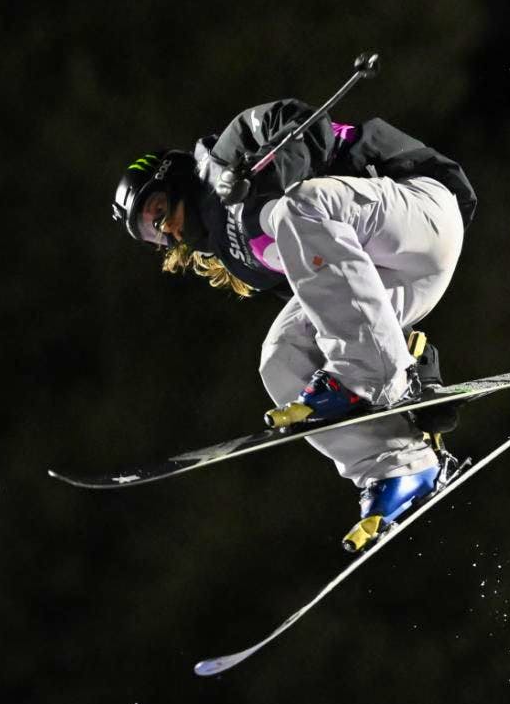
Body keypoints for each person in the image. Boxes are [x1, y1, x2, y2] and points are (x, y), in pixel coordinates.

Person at [110, 99, 476, 551]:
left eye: (158, 210)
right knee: (282, 356)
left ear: (175, 177)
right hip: (399, 275)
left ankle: (370, 376)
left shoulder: (228, 149)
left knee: (298, 206)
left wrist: (265, 178)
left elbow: (300, 119)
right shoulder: (242, 260)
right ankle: (402, 467)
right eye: (150, 234)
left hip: (421, 207)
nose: (164, 231)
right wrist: (419, 372)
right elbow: (339, 295)